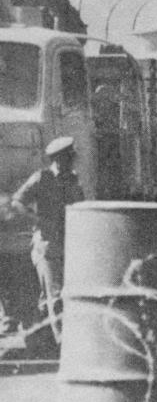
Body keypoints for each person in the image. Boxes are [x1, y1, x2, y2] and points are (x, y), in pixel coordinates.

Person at [10, 137, 85, 350]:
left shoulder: (72, 179)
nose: (74, 160)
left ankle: (38, 339)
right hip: (47, 244)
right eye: (71, 157)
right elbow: (17, 201)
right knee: (55, 294)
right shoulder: (41, 178)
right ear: (59, 158)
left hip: (68, 241)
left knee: (50, 297)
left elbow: (80, 205)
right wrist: (37, 220)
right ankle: (63, 343)